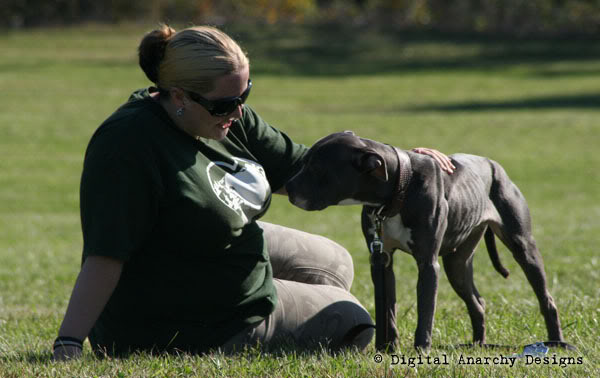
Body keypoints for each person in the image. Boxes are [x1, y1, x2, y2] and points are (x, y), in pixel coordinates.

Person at [53, 24, 455, 360]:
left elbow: (307, 168)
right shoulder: (126, 147)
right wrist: (70, 341)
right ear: (178, 96)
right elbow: (106, 254)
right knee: (356, 323)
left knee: (336, 262)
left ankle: (295, 300)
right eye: (227, 103)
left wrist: (404, 167)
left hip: (218, 255)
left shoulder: (222, 115)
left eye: (245, 96)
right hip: (186, 319)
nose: (238, 112)